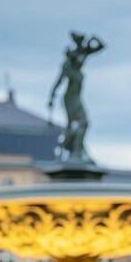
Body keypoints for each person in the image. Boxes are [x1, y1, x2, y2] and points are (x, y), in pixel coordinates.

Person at [47, 31, 105, 163]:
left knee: (75, 125)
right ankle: (75, 152)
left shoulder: (81, 54)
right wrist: (51, 97)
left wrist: (94, 37)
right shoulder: (68, 64)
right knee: (81, 123)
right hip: (70, 98)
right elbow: (59, 81)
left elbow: (101, 46)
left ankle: (70, 151)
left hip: (76, 97)